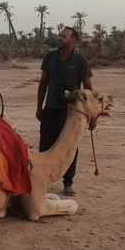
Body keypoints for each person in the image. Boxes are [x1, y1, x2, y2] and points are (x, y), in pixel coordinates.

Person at [36, 26, 93, 197]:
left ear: (73, 40)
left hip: (71, 113)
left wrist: (91, 115)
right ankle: (41, 179)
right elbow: (43, 83)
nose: (59, 38)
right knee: (45, 145)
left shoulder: (81, 62)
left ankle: (68, 182)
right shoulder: (50, 58)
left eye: (64, 36)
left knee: (70, 146)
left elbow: (88, 90)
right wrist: (39, 107)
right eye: (60, 35)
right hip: (51, 108)